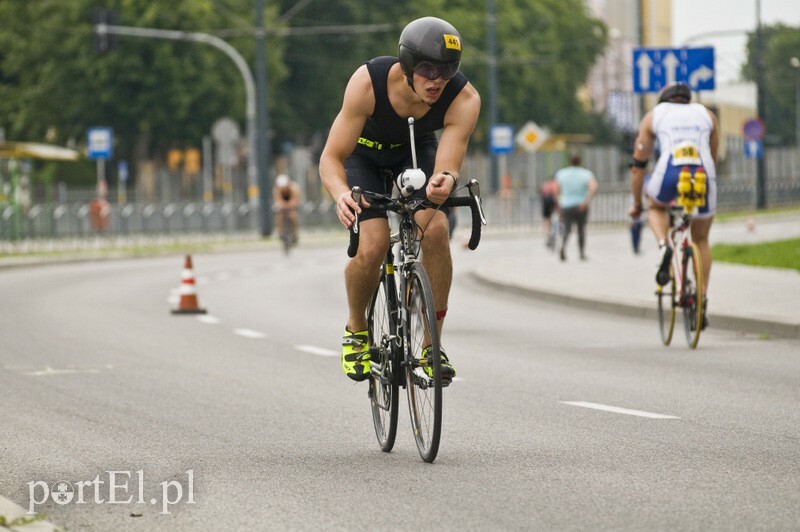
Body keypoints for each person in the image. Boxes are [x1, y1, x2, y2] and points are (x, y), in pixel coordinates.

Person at [318, 16, 480, 383]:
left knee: (435, 229)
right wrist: (341, 193)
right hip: (364, 157)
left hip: (415, 150)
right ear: (407, 65)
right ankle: (357, 329)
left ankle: (430, 343)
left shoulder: (464, 98)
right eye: (427, 69)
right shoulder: (368, 83)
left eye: (448, 69)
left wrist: (444, 181)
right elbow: (331, 157)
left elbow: (449, 164)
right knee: (373, 246)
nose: (437, 79)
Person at [628, 81, 719, 329]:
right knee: (700, 240)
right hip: (702, 175)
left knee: (656, 207)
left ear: (663, 101)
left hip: (669, 172)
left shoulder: (654, 116)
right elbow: (713, 155)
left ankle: (663, 246)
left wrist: (637, 204)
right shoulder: (707, 114)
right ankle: (701, 301)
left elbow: (638, 167)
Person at [554, 154, 598, 261]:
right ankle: (582, 253)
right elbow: (594, 187)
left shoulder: (561, 173)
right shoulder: (586, 173)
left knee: (567, 228)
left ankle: (563, 247)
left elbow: (556, 190)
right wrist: (587, 200)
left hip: (566, 205)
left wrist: (559, 202)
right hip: (581, 205)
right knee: (581, 229)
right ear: (580, 162)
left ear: (569, 162)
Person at [272, 174, 301, 243]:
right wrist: (281, 205)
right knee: (279, 215)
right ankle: (280, 231)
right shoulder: (277, 189)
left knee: (293, 215)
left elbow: (295, 199)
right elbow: (278, 199)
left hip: (291, 200)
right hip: (283, 201)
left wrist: (291, 205)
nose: (284, 189)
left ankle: (294, 233)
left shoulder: (294, 188)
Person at [539, 178, 559, 250]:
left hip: (545, 202)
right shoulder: (554, 185)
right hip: (552, 201)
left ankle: (547, 232)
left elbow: (541, 192)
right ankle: (553, 231)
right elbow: (556, 193)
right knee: (555, 216)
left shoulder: (545, 185)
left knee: (547, 219)